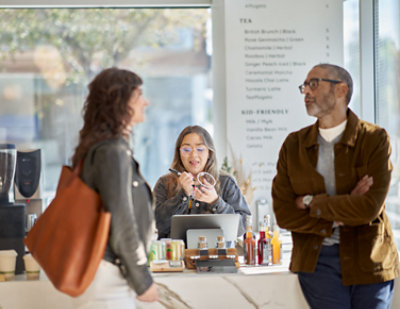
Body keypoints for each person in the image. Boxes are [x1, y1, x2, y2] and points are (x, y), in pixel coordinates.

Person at [272, 63, 399, 308]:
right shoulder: (294, 145)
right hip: (317, 261)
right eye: (304, 86)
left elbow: (368, 208)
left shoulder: (374, 139)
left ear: (341, 90)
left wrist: (310, 202)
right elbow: (285, 214)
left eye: (314, 84)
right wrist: (345, 206)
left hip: (370, 261)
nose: (306, 92)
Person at [71, 67, 158, 308]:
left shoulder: (105, 148)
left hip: (107, 272)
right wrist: (143, 280)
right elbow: (121, 221)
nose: (146, 102)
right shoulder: (112, 151)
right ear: (120, 101)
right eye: (139, 95)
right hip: (109, 276)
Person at [154, 125, 251, 239]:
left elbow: (244, 226)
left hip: (216, 254)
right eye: (186, 149)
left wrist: (216, 202)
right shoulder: (164, 183)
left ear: (209, 153)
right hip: (176, 254)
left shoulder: (226, 182)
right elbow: (156, 225)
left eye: (200, 149)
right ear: (179, 153)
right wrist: (182, 196)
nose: (194, 155)